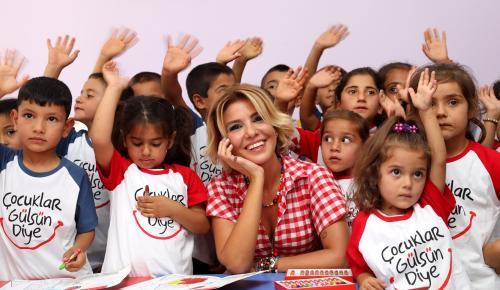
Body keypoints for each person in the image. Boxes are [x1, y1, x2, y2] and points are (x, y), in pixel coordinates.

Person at [205, 84, 348, 274]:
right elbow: (237, 264)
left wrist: (267, 265)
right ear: (224, 141)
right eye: (236, 127)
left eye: (258, 119)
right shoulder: (220, 188)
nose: (251, 132)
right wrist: (256, 178)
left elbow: (340, 256)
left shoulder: (313, 176)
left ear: (273, 123)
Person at [347, 69, 467, 289]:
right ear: (375, 174)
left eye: (418, 174)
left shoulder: (429, 204)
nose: (408, 184)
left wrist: (425, 109)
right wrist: (364, 280)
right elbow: (359, 266)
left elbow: (438, 158)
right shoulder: (365, 224)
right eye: (396, 172)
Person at [90, 61, 209, 276]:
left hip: (175, 282)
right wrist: (114, 87)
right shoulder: (122, 172)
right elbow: (99, 138)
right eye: (137, 143)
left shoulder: (185, 176)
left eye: (155, 144)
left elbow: (202, 225)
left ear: (170, 140)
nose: (145, 151)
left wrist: (172, 209)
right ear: (125, 140)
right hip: (124, 282)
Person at [0, 77, 97, 279]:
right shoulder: (4, 163)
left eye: (51, 119)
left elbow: (87, 230)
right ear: (15, 119)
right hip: (16, 284)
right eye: (29, 115)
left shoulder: (76, 176)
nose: (38, 128)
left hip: (67, 282)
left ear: (66, 127)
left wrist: (78, 250)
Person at [415, 63, 500, 288]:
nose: (441, 112)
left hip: (483, 282)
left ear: (471, 108)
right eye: (431, 103)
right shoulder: (410, 167)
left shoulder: (491, 162)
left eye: (453, 102)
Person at [320, 109, 369, 229]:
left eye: (345, 140)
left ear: (365, 146)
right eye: (328, 139)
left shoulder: (371, 181)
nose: (334, 147)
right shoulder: (316, 183)